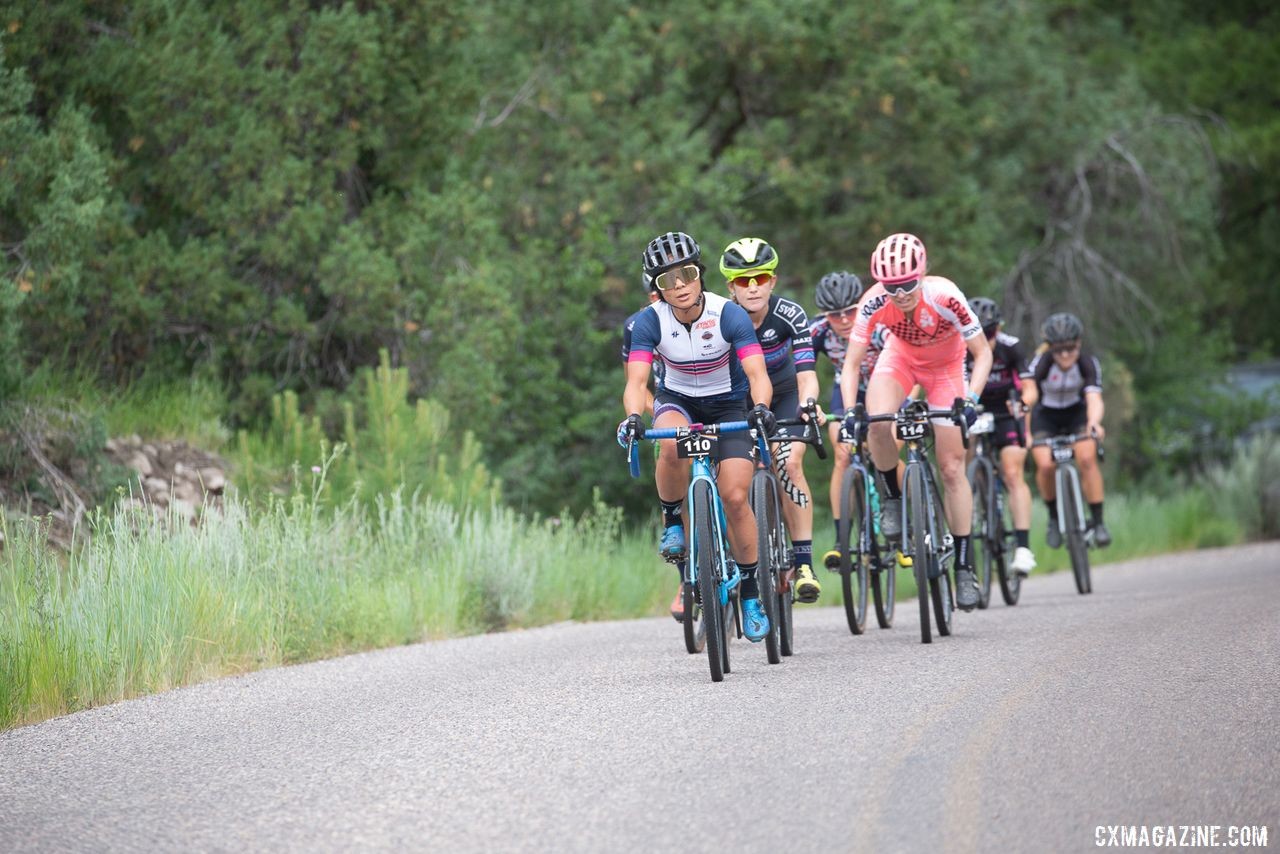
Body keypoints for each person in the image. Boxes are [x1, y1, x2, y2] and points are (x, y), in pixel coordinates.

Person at [620, 231, 776, 641]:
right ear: (658, 288)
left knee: (736, 497)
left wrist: (760, 409)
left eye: (687, 274)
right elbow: (637, 381)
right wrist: (634, 416)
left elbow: (758, 374)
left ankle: (750, 592)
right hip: (679, 402)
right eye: (668, 280)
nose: (681, 286)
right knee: (668, 442)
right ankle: (673, 520)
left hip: (728, 404)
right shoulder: (650, 322)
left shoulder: (730, 314)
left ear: (699, 274)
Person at [839, 233, 992, 611]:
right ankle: (892, 497)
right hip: (900, 361)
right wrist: (849, 412)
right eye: (892, 287)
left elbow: (983, 353)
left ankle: (963, 565)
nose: (901, 293)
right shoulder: (873, 300)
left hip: (946, 369)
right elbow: (852, 364)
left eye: (908, 284)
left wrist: (971, 400)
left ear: (921, 275)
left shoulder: (945, 296)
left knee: (952, 468)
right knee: (876, 422)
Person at [719, 237, 823, 604]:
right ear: (730, 286)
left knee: (789, 464)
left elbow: (807, 374)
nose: (752, 287)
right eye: (743, 280)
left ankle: (804, 562)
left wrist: (809, 404)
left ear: (773, 281)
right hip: (736, 403)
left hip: (783, 397)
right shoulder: (717, 320)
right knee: (730, 482)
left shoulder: (790, 315)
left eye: (760, 278)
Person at [1023, 312, 1111, 548]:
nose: (1064, 355)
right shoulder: (1040, 363)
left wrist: (1094, 422)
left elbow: (1094, 398)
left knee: (1087, 459)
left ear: (1079, 344)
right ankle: (1053, 517)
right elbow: (1028, 399)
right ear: (1049, 347)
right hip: (1046, 416)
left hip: (1076, 414)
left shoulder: (1087, 363)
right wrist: (1027, 434)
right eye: (1058, 349)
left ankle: (1099, 521)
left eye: (1070, 348)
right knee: (1044, 464)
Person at [966, 297, 1037, 576]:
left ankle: (1022, 547)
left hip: (1007, 409)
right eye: (979, 333)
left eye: (991, 333)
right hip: (975, 408)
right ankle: (971, 500)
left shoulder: (1011, 347)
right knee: (961, 452)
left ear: (999, 329)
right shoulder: (960, 349)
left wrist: (1023, 405)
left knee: (1012, 472)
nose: (986, 340)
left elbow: (1030, 388)